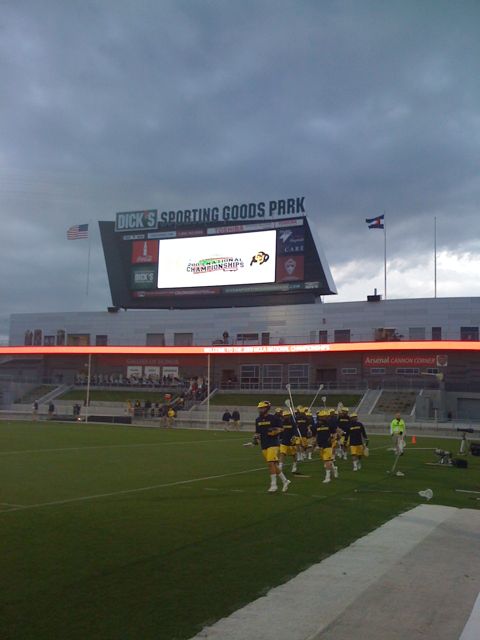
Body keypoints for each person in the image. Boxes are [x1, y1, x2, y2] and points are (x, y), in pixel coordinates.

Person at [254, 400, 291, 493]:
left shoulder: (274, 418)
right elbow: (257, 433)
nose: (260, 409)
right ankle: (285, 481)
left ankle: (273, 485)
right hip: (264, 444)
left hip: (273, 443)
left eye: (262, 408)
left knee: (270, 463)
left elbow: (281, 429)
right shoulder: (257, 420)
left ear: (267, 408)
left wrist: (275, 431)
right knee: (274, 464)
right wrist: (255, 440)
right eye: (260, 408)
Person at [316, 410, 338, 483]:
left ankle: (328, 477)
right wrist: (314, 444)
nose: (322, 418)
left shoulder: (330, 425)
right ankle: (334, 468)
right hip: (320, 445)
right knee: (326, 462)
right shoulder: (317, 425)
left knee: (327, 461)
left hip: (328, 445)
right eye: (320, 417)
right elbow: (314, 435)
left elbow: (335, 433)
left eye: (323, 417)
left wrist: (332, 439)